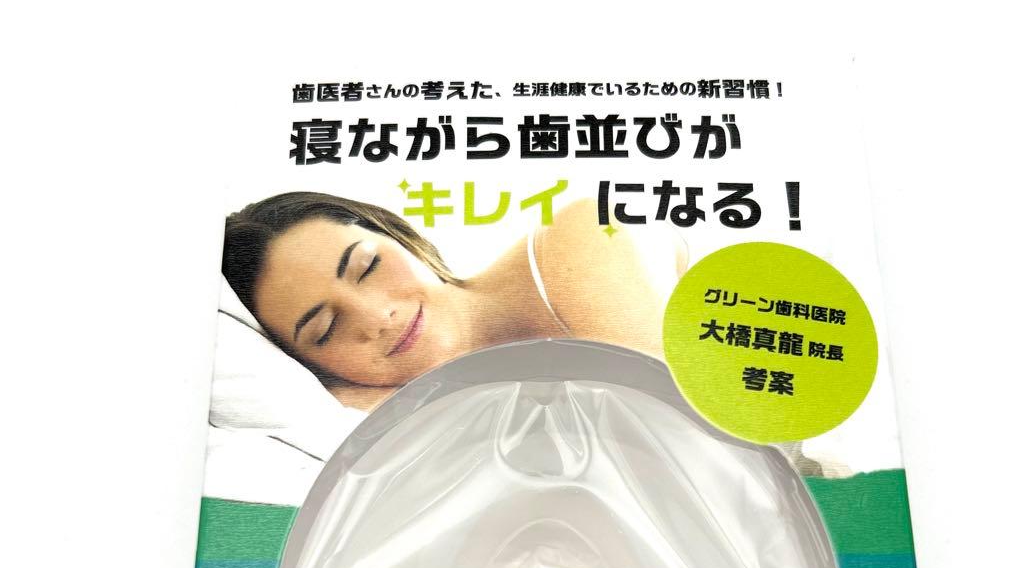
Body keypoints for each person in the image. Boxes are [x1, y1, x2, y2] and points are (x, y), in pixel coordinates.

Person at [222, 191, 687, 410]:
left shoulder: (579, 234)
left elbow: (666, 414)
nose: (378, 316)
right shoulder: (349, 408)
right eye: (326, 330)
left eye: (368, 266)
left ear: (397, 236)